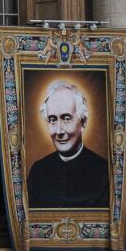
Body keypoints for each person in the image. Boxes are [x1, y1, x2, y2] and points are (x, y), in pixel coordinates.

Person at [26, 80, 108, 209]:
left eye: (66, 118)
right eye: (52, 120)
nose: (59, 131)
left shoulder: (104, 172)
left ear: (83, 122)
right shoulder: (38, 171)